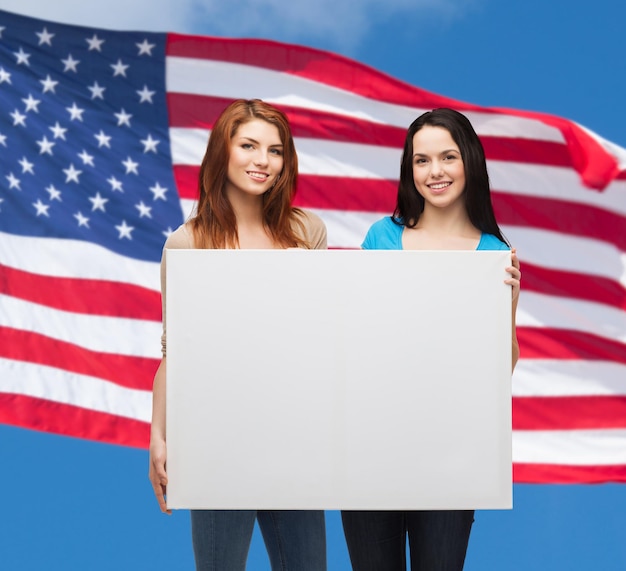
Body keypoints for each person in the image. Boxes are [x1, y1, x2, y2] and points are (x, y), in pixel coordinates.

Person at [148, 99, 328, 571]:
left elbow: (323, 333)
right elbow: (175, 351)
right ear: (221, 152)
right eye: (248, 145)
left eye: (275, 150)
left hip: (294, 432)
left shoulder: (307, 231)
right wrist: (159, 437)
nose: (262, 161)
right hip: (215, 434)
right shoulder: (186, 242)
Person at [340, 108, 521, 571]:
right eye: (421, 160)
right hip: (371, 448)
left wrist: (510, 304)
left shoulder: (495, 255)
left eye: (447, 157)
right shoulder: (382, 237)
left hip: (450, 452)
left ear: (470, 163)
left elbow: (498, 370)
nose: (435, 172)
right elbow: (354, 343)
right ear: (410, 169)